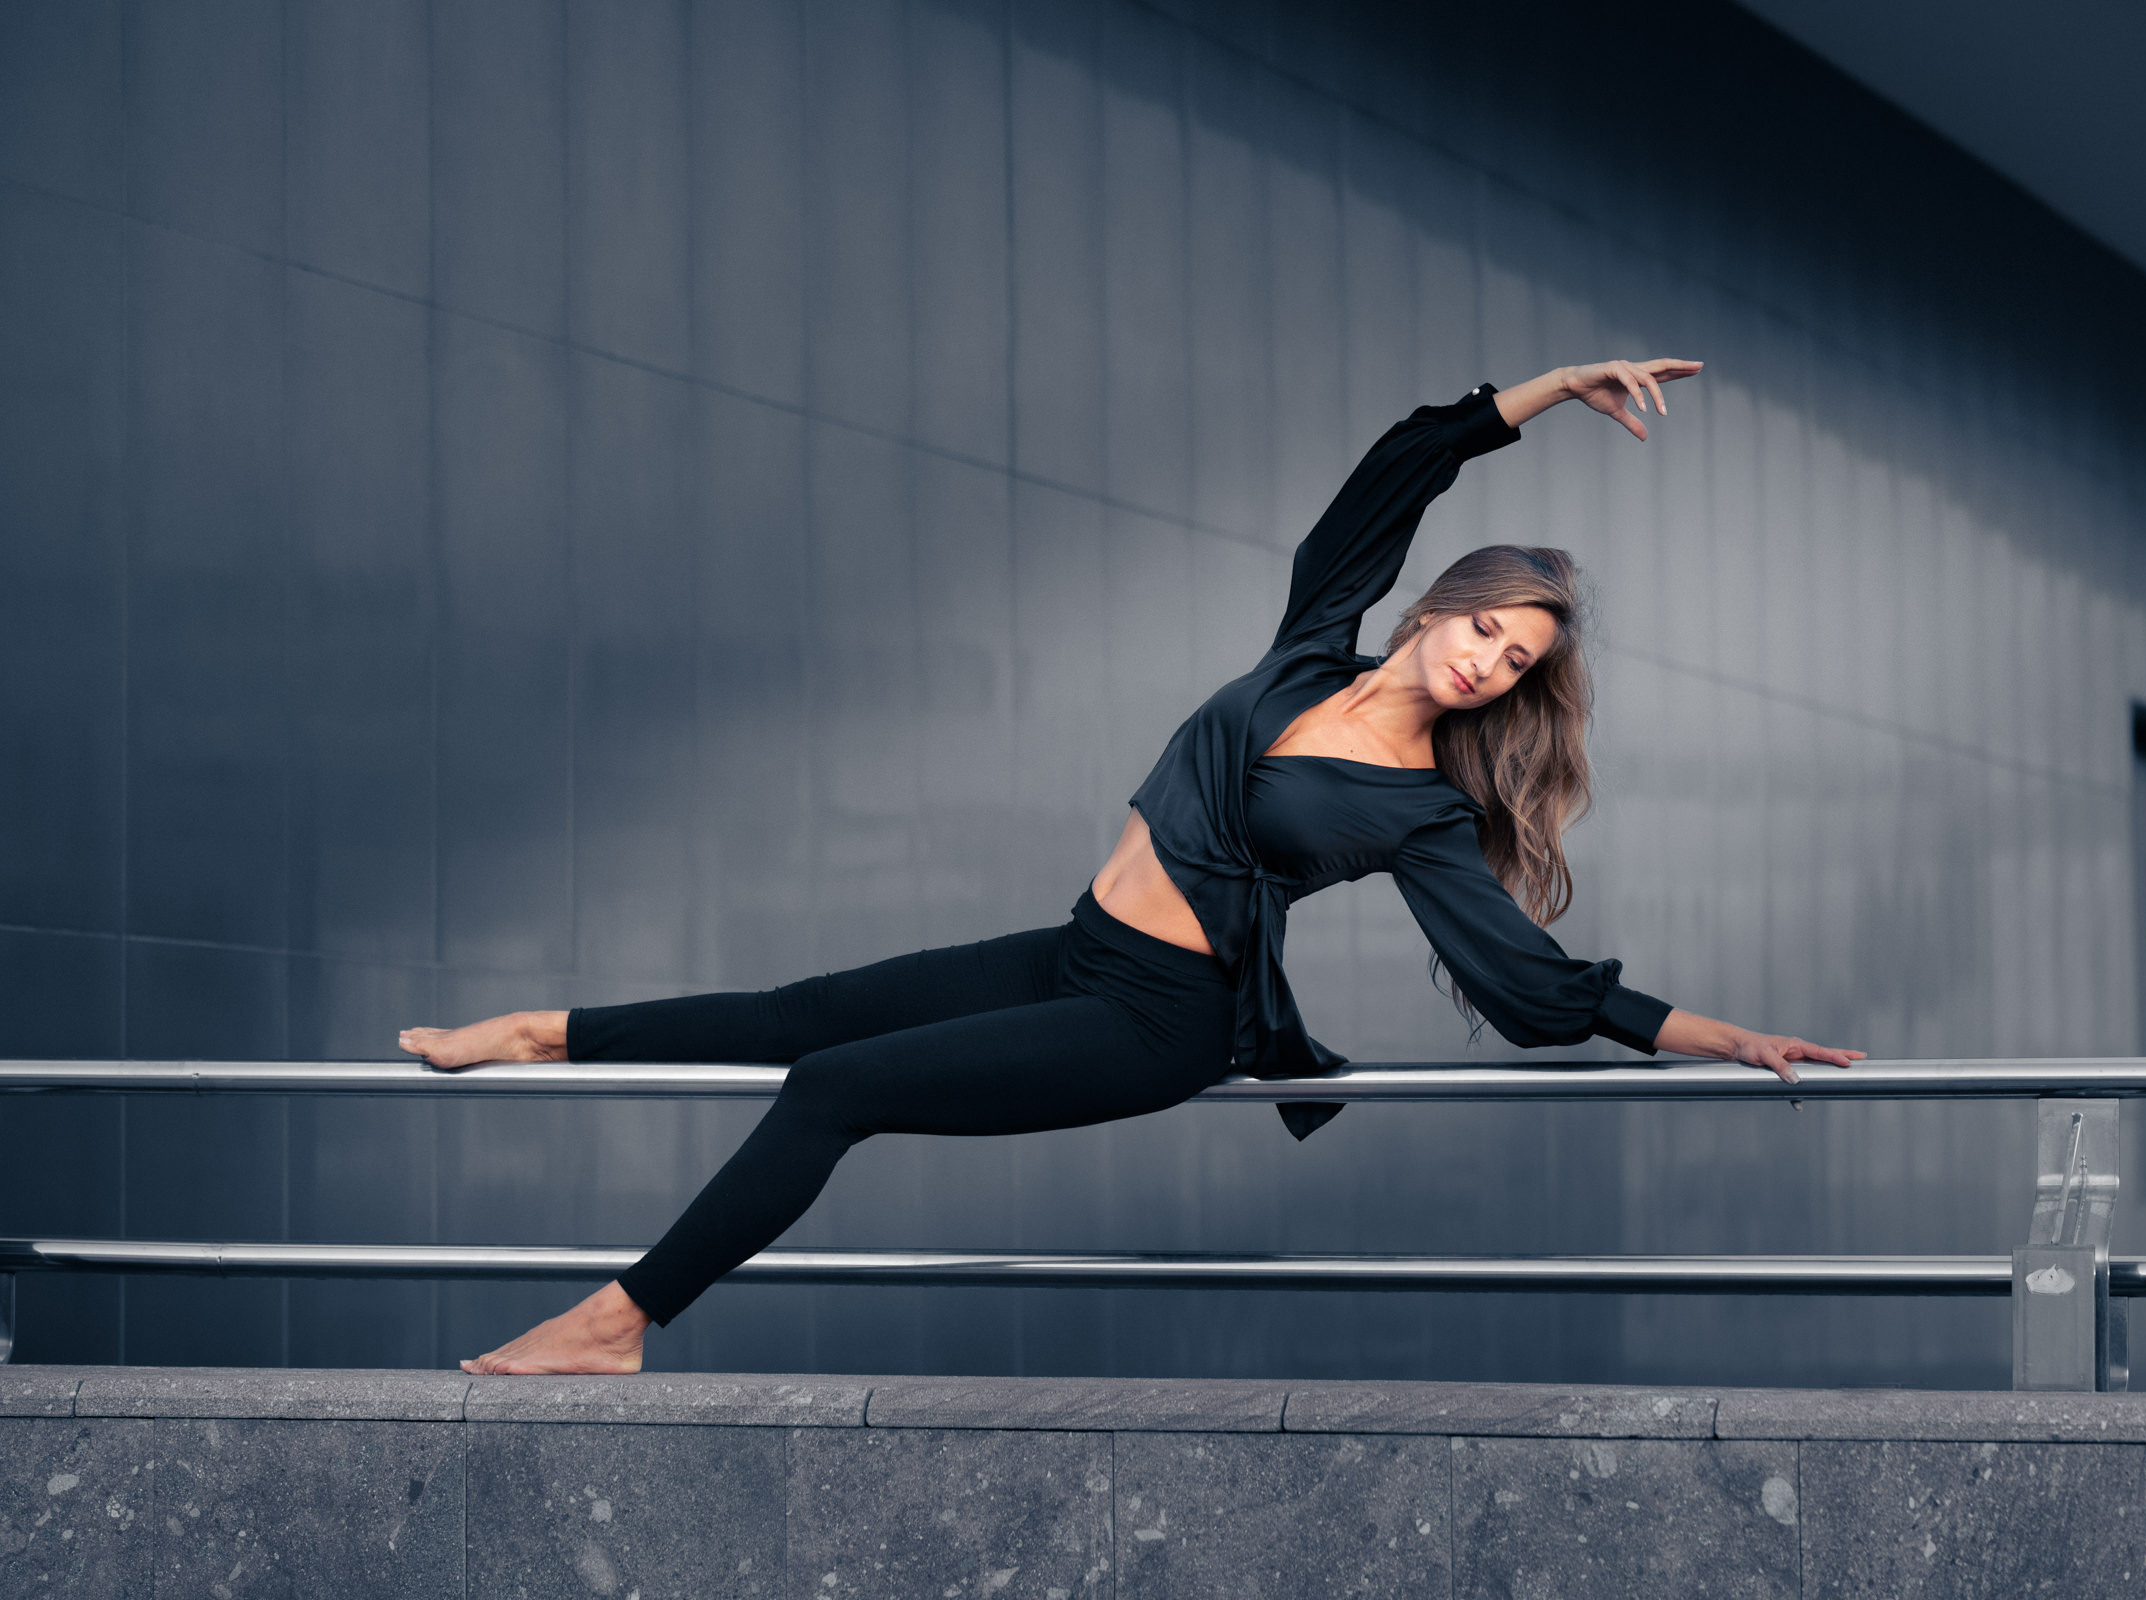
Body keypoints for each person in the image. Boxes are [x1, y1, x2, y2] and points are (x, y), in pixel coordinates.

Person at [400, 356, 1864, 1375]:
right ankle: (542, 1032)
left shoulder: (1420, 810)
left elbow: (1534, 984)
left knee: (833, 1091)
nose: (1492, 664)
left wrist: (1711, 1033)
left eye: (1521, 661)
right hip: (1079, 951)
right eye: (1489, 628)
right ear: (1443, 607)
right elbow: (1401, 465)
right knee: (800, 1015)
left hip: (1162, 1016)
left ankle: (622, 1318)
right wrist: (1550, 385)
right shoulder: (1309, 653)